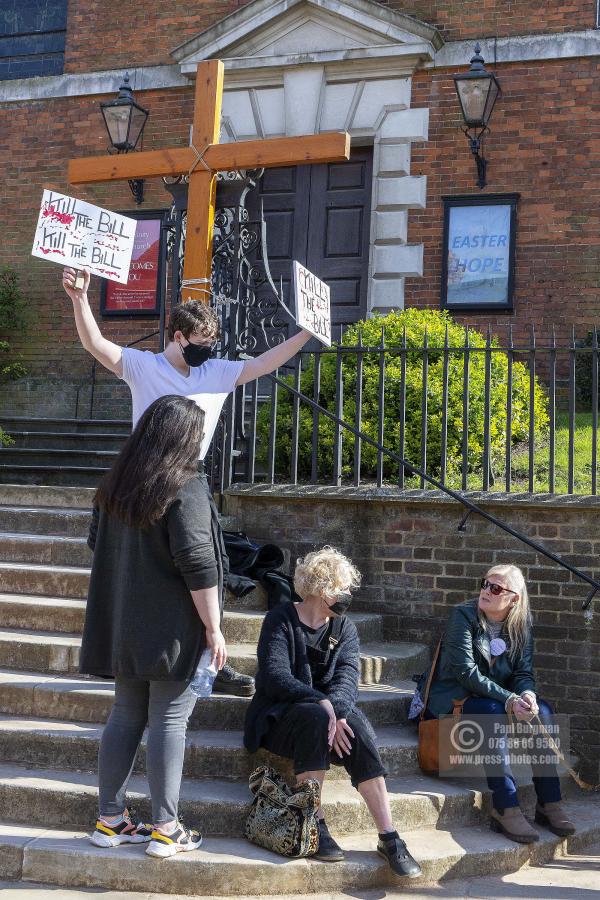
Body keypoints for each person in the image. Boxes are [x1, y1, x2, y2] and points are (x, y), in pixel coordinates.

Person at [63, 266, 311, 697]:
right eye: (199, 343)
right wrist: (79, 299)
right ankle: (142, 655)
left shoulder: (214, 372)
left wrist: (305, 334)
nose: (206, 351)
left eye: (211, 344)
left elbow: (261, 364)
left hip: (189, 481)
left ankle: (211, 661)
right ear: (178, 336)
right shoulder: (143, 366)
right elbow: (97, 345)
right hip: (144, 483)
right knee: (161, 573)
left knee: (207, 568)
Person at [80, 395, 227, 858]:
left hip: (123, 619)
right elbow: (198, 561)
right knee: (169, 719)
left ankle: (110, 821)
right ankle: (166, 827)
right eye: (198, 435)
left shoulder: (115, 485)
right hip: (172, 626)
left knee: (125, 714)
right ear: (183, 438)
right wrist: (214, 627)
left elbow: (93, 543)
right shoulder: (184, 486)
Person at [244, 546, 422, 878]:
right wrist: (320, 702)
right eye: (340, 589)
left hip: (328, 718)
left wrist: (336, 712)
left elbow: (347, 681)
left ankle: (389, 835)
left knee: (357, 724)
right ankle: (316, 822)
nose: (345, 596)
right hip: (278, 718)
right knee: (314, 715)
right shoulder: (280, 619)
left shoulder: (344, 629)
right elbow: (274, 677)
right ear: (320, 589)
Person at [423, 564, 575, 844]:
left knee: (542, 711)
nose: (485, 591)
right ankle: (505, 806)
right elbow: (465, 673)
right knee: (492, 713)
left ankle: (549, 802)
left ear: (514, 597)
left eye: (495, 588)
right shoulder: (463, 615)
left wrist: (526, 694)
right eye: (484, 584)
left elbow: (523, 674)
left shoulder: (521, 625)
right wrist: (509, 699)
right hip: (454, 698)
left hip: (494, 697)